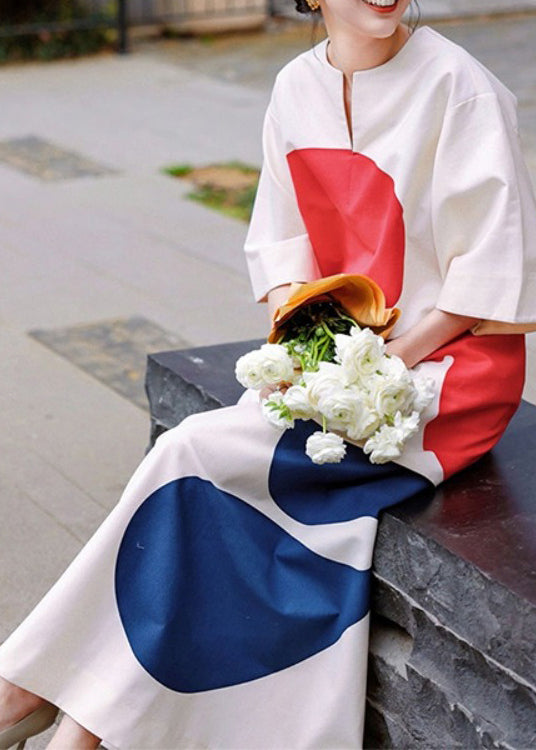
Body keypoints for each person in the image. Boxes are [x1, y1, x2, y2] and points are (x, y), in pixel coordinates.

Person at [1, 1, 536, 748]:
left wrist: (370, 366)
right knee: (205, 488)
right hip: (345, 363)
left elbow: (487, 273)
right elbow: (285, 253)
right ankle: (73, 726)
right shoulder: (295, 88)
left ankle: (28, 697)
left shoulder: (461, 86)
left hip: (451, 374)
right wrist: (305, 350)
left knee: (195, 452)